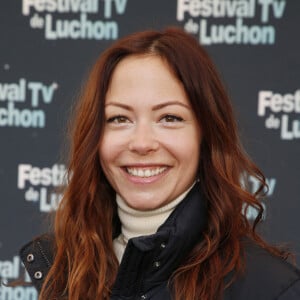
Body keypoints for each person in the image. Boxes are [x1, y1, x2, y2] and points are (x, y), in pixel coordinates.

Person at [20, 27, 300, 300]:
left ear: (206, 136)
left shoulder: (270, 288)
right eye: (119, 118)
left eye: (170, 118)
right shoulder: (61, 271)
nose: (142, 143)